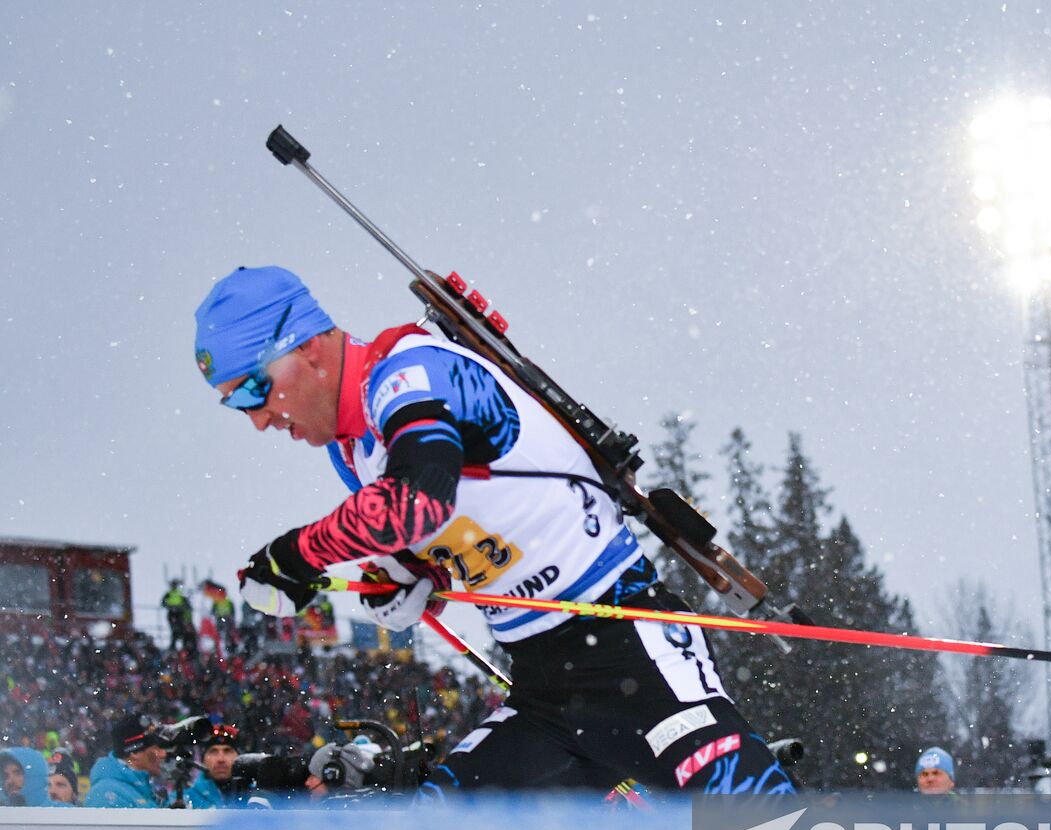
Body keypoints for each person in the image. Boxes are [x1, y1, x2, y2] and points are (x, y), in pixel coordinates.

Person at [194, 265, 792, 795]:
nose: (257, 419)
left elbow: (416, 500)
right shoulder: (351, 449)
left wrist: (297, 555)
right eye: (234, 404)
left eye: (252, 389)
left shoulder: (410, 373)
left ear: (307, 348)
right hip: (545, 691)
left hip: (630, 649)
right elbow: (437, 531)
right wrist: (404, 576)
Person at [86, 715, 164, 808]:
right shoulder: (108, 793)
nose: (163, 754)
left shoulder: (137, 788)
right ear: (135, 753)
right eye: (156, 749)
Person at [184, 723, 240, 809]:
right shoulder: (185, 798)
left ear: (239, 757)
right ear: (203, 760)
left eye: (227, 751)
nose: (221, 759)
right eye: (213, 752)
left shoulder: (256, 796)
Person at [161, 579, 197, 652]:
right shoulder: (169, 594)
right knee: (175, 630)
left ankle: (180, 646)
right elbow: (163, 603)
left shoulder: (178, 594)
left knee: (181, 630)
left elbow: (186, 604)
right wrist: (171, 607)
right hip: (173, 614)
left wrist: (181, 607)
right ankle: (174, 646)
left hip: (179, 614)